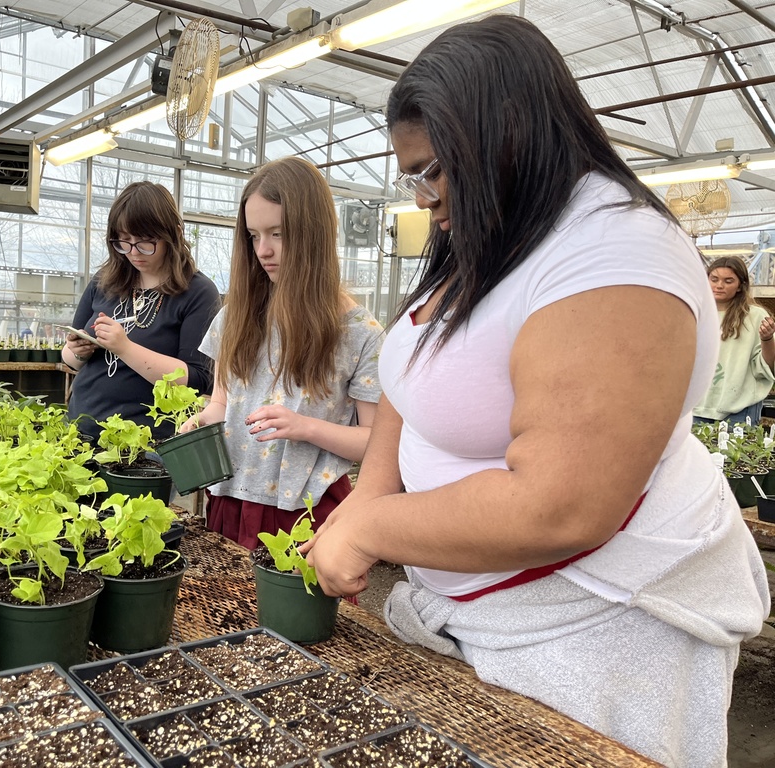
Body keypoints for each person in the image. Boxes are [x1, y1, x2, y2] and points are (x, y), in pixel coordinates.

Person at [301, 15, 769, 767]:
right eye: (409, 174)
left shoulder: (618, 251)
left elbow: (561, 504)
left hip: (595, 634)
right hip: (484, 625)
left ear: (504, 137)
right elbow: (409, 381)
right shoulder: (494, 231)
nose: (421, 196)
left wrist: (373, 529)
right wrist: (367, 496)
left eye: (433, 169)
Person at [181, 156, 383, 550]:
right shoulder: (235, 316)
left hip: (308, 513)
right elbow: (221, 403)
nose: (264, 250)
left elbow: (375, 443)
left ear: (314, 234)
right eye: (254, 236)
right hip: (231, 500)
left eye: (278, 233)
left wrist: (305, 426)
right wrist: (199, 422)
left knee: (298, 611)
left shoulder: (359, 332)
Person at [64, 181, 219, 443]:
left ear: (174, 234)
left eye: (146, 242)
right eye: (124, 242)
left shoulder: (197, 292)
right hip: (83, 430)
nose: (134, 253)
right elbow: (69, 358)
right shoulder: (104, 281)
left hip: (148, 445)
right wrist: (78, 350)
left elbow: (198, 380)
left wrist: (125, 348)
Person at [692, 256, 775, 425]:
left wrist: (767, 339)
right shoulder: (693, 313)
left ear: (740, 286)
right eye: (714, 279)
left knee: (736, 451)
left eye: (728, 281)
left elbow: (765, 366)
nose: (719, 285)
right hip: (695, 405)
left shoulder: (755, 316)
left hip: (739, 409)